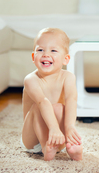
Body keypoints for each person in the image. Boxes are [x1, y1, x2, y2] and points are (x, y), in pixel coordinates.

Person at [21, 27, 83, 161]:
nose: (46, 54)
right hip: (32, 138)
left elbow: (72, 99)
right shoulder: (31, 80)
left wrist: (69, 127)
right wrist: (53, 128)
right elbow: (42, 102)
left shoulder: (68, 77)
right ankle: (45, 147)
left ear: (66, 59)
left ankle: (71, 146)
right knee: (40, 105)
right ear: (33, 57)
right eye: (40, 50)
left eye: (53, 50)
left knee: (60, 107)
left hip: (56, 136)